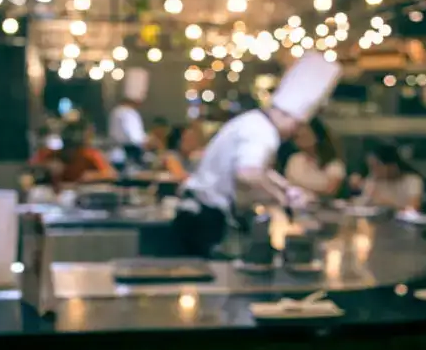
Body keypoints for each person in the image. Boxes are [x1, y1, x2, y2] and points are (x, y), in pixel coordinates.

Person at [172, 52, 342, 257]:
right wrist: (282, 199)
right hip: (204, 219)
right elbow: (248, 174)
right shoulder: (263, 132)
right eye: (297, 125)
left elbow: (260, 171)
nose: (295, 133)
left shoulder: (254, 121)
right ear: (287, 116)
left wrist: (287, 188)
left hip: (201, 212)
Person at [29, 119, 116, 186]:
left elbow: (111, 174)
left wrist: (93, 176)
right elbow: (30, 167)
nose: (70, 150)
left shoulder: (89, 155)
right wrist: (46, 167)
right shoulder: (52, 155)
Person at [284, 118, 346, 197]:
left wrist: (300, 186)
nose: (300, 141)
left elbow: (330, 190)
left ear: (317, 136)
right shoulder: (295, 160)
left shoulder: (333, 164)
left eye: (305, 136)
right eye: (297, 137)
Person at [352, 144, 424, 210]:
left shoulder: (412, 181)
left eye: (377, 166)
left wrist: (385, 203)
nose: (374, 171)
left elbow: (413, 210)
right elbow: (363, 204)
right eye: (371, 167)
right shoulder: (373, 179)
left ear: (391, 166)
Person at [108, 67, 153, 167]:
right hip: (125, 157)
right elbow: (135, 139)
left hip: (122, 155)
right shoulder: (125, 113)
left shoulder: (119, 111)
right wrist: (149, 140)